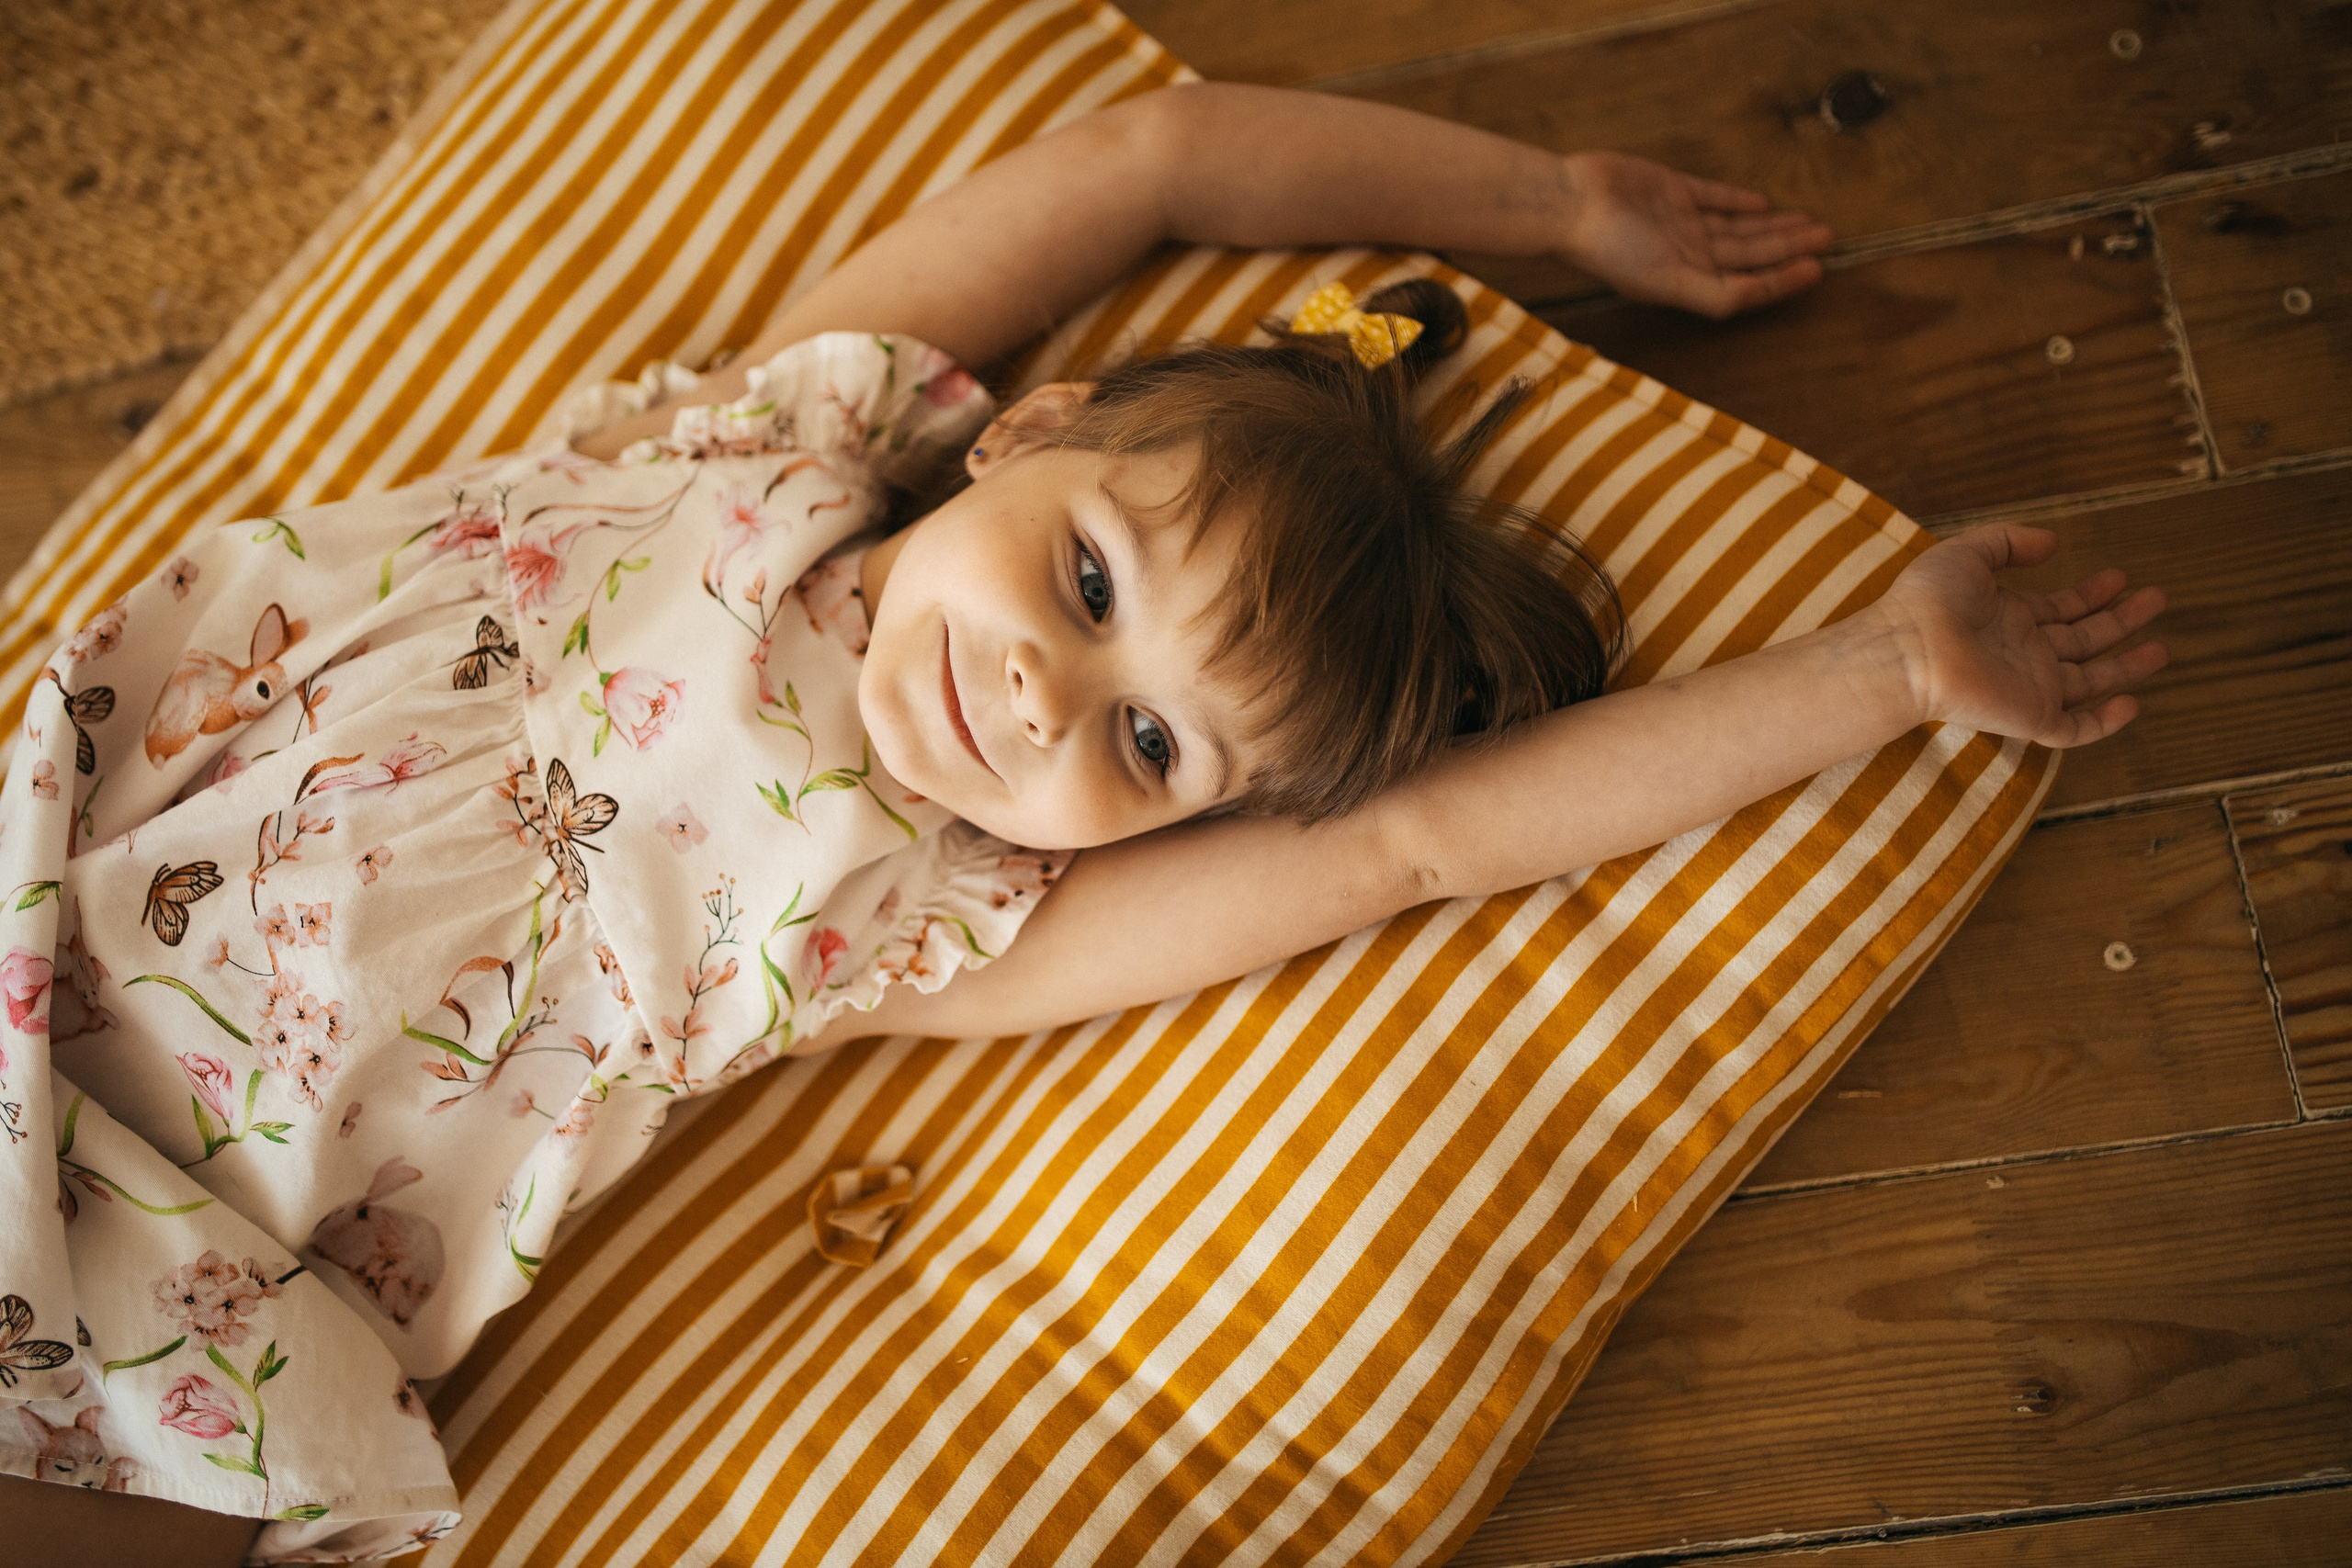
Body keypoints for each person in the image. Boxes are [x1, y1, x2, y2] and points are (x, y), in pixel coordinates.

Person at [0, 82, 2163, 1563]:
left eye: (1146, 754)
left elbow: (1413, 849)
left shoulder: (937, 908)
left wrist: (1879, 671)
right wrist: (1554, 208)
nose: (1050, 692)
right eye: (1091, 584)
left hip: (191, 1256)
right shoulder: (797, 426)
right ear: (1021, 432)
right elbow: (1148, 158)